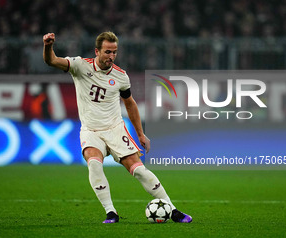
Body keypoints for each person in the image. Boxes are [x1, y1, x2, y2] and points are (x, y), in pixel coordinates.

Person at [43, 31, 192, 223]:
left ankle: (172, 210)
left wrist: (140, 134)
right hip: (90, 130)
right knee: (94, 164)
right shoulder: (80, 66)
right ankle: (111, 213)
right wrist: (48, 46)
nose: (111, 56)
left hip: (115, 129)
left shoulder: (121, 77)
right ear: (97, 51)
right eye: (107, 52)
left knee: (138, 170)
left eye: (114, 52)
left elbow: (130, 103)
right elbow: (52, 61)